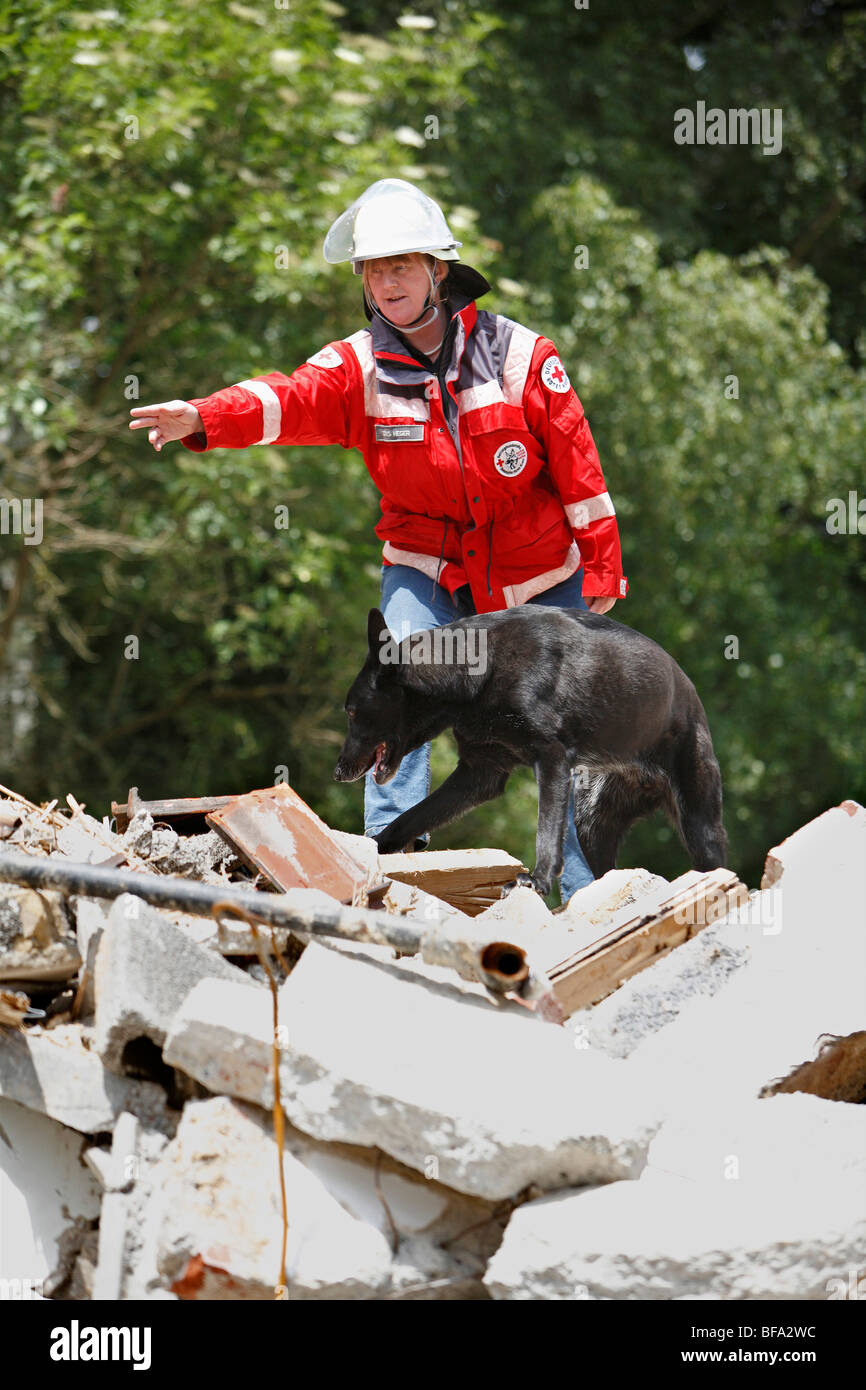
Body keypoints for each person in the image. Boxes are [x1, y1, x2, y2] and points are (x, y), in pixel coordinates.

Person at [129, 177, 628, 902]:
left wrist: (604, 567)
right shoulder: (357, 367)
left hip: (537, 577)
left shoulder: (522, 357)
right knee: (396, 679)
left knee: (572, 728)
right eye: (373, 270)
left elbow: (580, 469)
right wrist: (204, 416)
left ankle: (590, 897)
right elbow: (285, 400)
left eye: (401, 266)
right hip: (428, 566)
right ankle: (389, 874)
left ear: (438, 271)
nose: (386, 281)